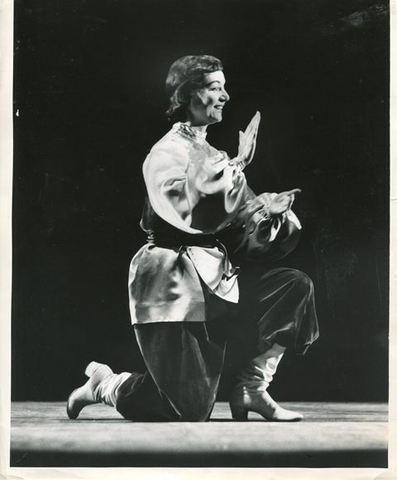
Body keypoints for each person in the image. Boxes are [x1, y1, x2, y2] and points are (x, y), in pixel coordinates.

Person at [67, 55, 319, 423]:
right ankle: (106, 384)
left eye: (223, 86)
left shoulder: (212, 153)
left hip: (219, 276)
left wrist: (270, 213)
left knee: (294, 286)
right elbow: (188, 212)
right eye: (215, 87)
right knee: (188, 411)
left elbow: (242, 224)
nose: (225, 96)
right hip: (173, 281)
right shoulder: (166, 152)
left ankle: (252, 388)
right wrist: (233, 169)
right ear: (187, 95)